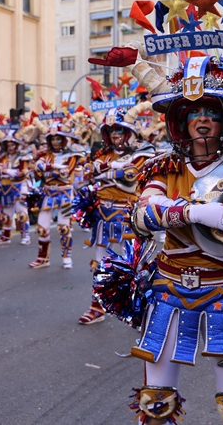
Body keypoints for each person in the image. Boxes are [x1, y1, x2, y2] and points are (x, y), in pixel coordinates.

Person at [120, 0, 223, 424]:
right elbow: (141, 217)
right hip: (168, 291)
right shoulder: (163, 163)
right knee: (154, 402)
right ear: (180, 120)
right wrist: (195, 213)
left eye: (210, 112)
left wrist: (171, 211)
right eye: (192, 112)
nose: (201, 120)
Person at [78, 105, 154, 325]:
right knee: (99, 263)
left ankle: (141, 308)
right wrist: (113, 170)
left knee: (134, 264)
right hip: (104, 213)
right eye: (111, 132)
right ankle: (96, 306)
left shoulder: (142, 151)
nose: (115, 135)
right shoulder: (104, 154)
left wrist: (105, 171)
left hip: (128, 215)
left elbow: (131, 180)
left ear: (128, 132)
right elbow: (88, 173)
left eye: (119, 131)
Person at [30, 113, 85, 269]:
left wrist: (49, 170)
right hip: (48, 193)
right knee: (41, 228)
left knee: (63, 227)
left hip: (65, 194)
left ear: (64, 139)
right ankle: (43, 258)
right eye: (53, 139)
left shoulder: (71, 154)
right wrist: (54, 168)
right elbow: (38, 168)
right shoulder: (45, 154)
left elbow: (66, 173)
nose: (55, 142)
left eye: (58, 139)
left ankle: (67, 257)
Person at [0, 118, 36, 245]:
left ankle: (25, 235)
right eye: (8, 145)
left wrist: (8, 172)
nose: (10, 147)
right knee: (7, 214)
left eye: (12, 145)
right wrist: (6, 172)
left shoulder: (23, 155)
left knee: (22, 213)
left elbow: (22, 172)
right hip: (6, 188)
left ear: (16, 145)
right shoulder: (2, 157)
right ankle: (6, 236)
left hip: (20, 187)